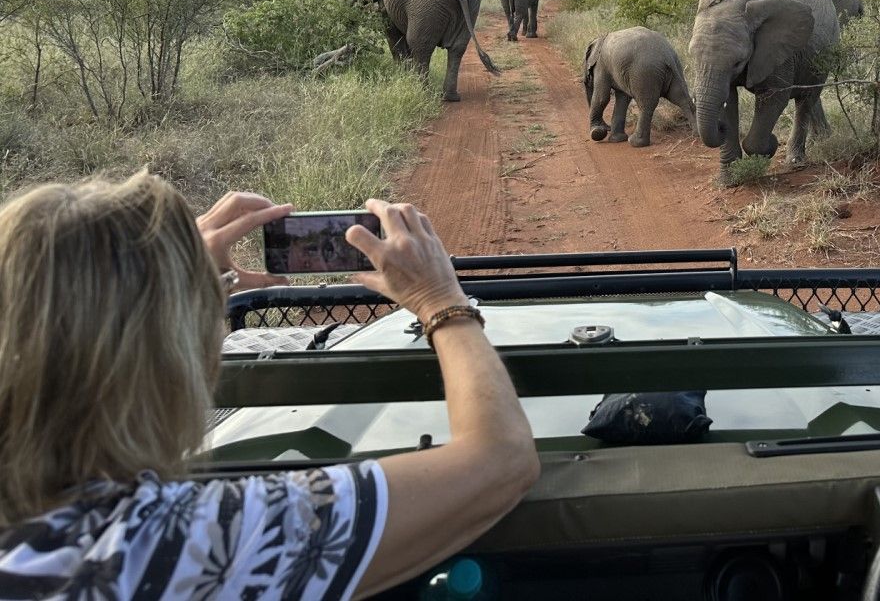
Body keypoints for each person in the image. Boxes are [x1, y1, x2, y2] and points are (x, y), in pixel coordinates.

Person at [0, 171, 539, 598]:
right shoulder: (170, 545)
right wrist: (439, 300)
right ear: (165, 363)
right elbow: (503, 458)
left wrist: (190, 299)